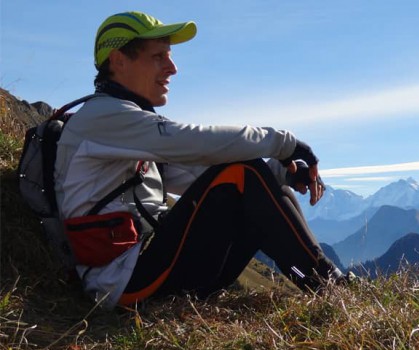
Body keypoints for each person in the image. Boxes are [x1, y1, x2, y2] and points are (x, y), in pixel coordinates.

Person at [55, 11, 345, 309]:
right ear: (118, 61)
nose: (172, 68)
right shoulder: (102, 118)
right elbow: (197, 144)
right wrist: (285, 144)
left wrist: (281, 174)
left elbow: (200, 174)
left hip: (148, 268)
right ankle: (331, 287)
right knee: (244, 171)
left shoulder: (125, 126)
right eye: (159, 57)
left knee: (255, 177)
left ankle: (325, 284)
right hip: (125, 284)